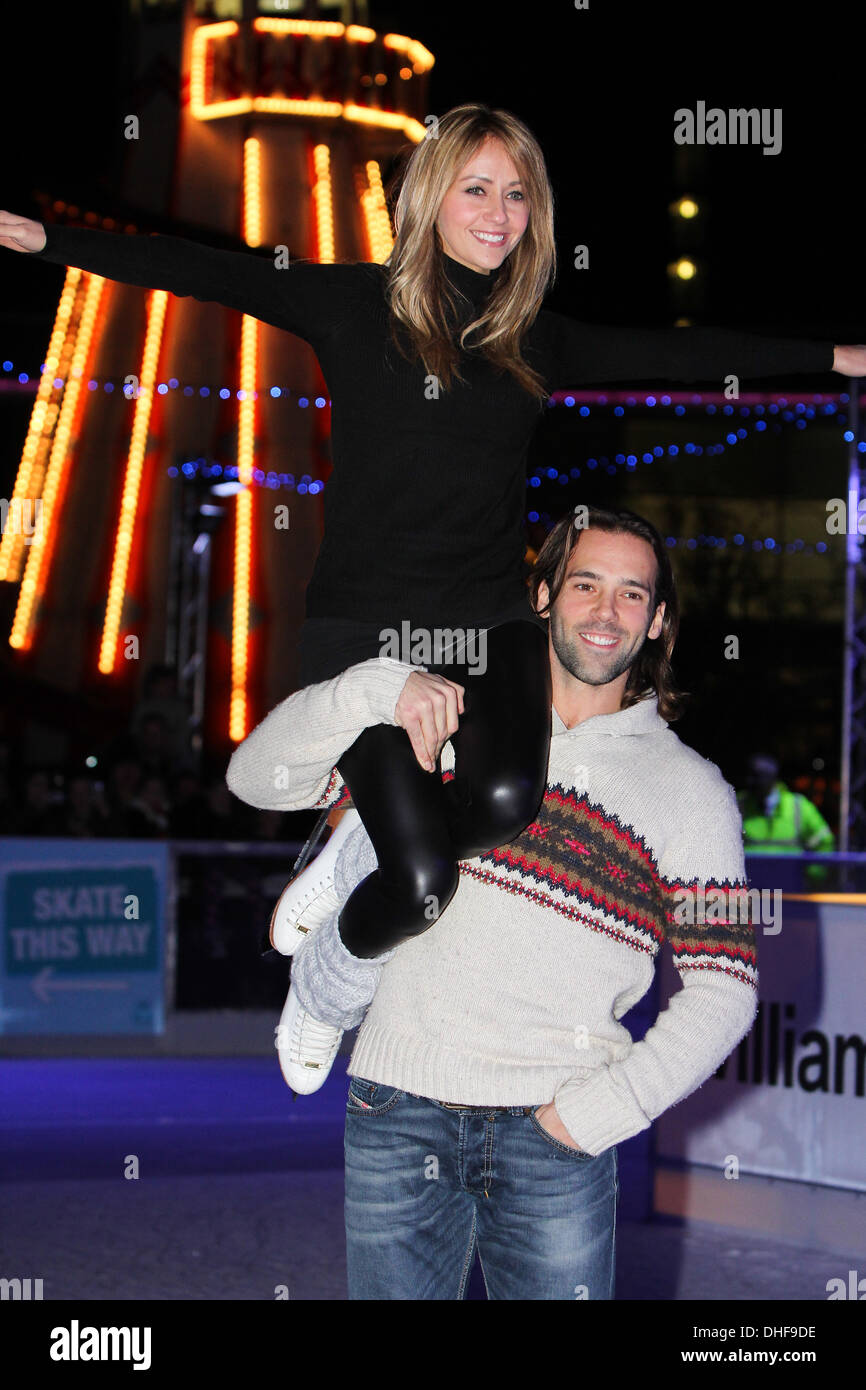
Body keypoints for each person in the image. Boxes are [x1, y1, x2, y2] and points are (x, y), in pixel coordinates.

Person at [3, 102, 862, 965]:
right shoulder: (352, 304)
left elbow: (679, 351)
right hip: (365, 631)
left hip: (489, 624)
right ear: (430, 197)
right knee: (420, 886)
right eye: (477, 189)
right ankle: (332, 967)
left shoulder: (533, 338)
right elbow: (199, 268)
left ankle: (354, 856)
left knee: (499, 806)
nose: (499, 214)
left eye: (517, 195)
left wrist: (835, 358)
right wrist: (49, 243)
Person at [226, 504, 760, 1300]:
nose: (605, 612)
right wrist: (373, 688)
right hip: (399, 1109)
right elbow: (254, 779)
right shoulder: (444, 715)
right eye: (585, 584)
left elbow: (728, 989)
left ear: (658, 622)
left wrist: (594, 1117)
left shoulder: (698, 795)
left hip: (557, 1135)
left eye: (631, 594)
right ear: (542, 597)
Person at [738, 752, 835, 885]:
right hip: (749, 890)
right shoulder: (737, 805)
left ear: (772, 778)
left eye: (757, 776)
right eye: (748, 775)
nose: (750, 781)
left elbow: (824, 841)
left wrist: (813, 876)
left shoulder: (798, 806)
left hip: (790, 890)